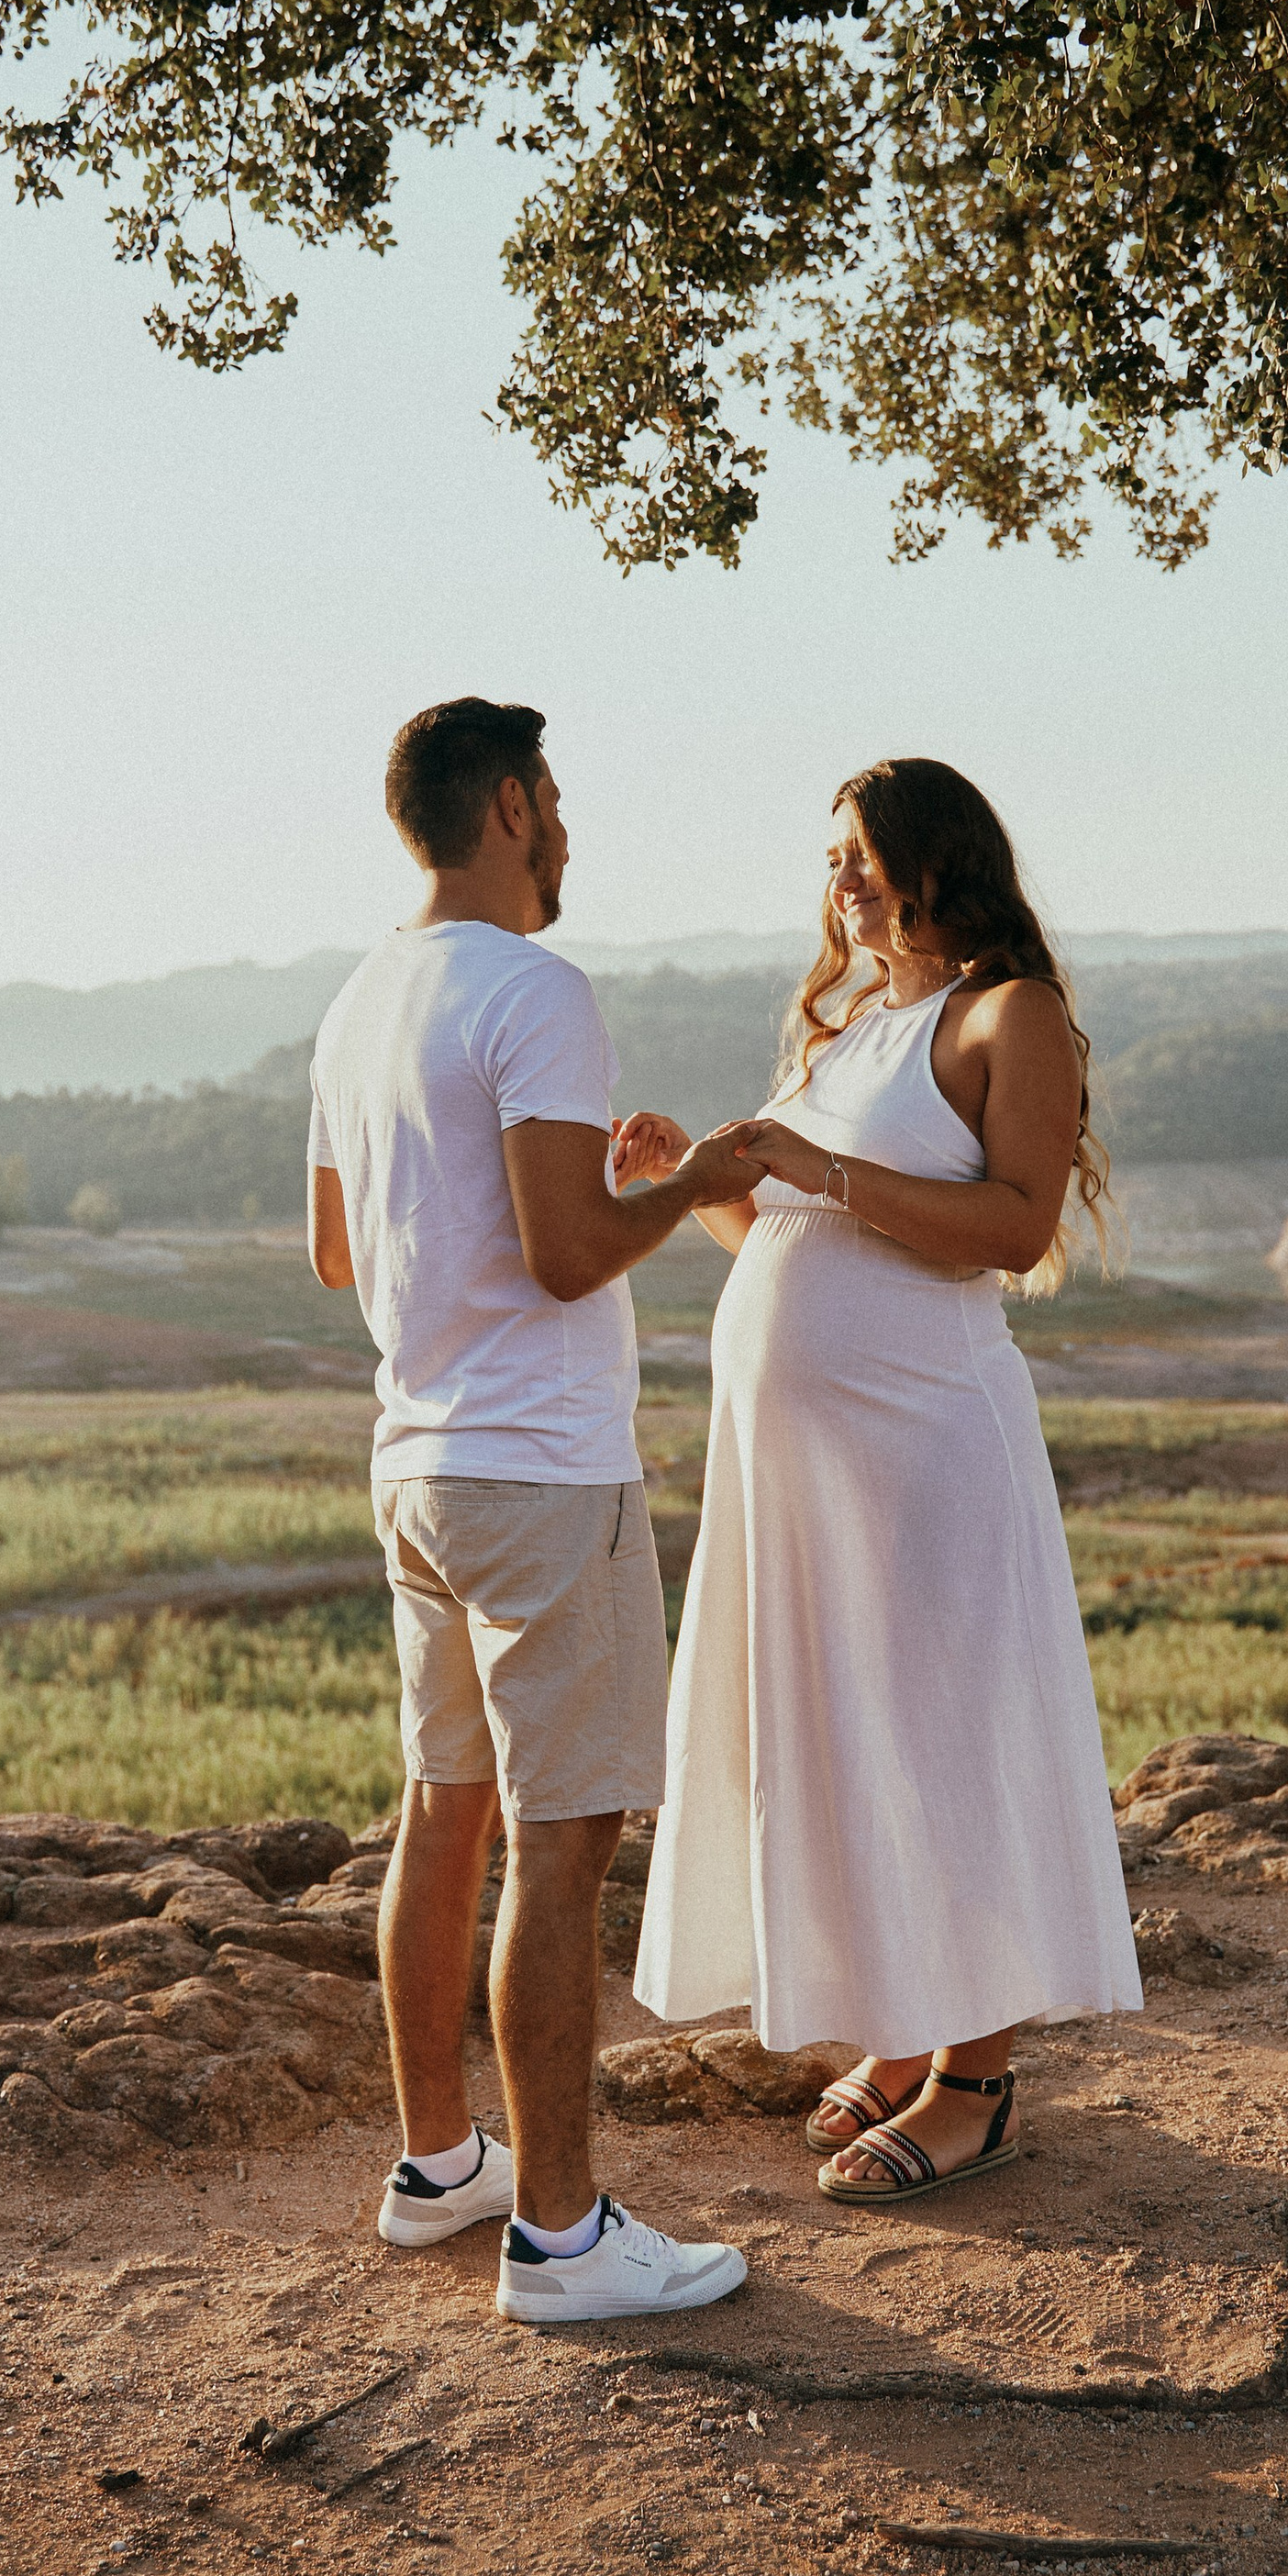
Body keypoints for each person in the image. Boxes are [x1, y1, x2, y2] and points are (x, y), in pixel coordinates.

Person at [627, 757, 1144, 2202]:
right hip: (808, 1473)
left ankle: (976, 2080)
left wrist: (820, 1167)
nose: (842, 878)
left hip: (926, 1447)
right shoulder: (851, 1027)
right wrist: (705, 1179)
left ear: (938, 858)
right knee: (852, 1732)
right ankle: (909, 2037)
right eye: (834, 856)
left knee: (941, 1734)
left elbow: (1013, 1224)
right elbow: (782, 1238)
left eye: (865, 853)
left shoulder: (1006, 1015)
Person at [307, 696, 761, 2320]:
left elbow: (338, 1256)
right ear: (507, 806)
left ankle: (441, 2170)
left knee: (447, 1810)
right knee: (562, 1852)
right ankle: (563, 2241)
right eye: (553, 798)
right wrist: (697, 1182)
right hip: (544, 1471)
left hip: (415, 1462)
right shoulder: (538, 990)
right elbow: (570, 1254)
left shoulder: (362, 1002)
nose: (564, 827)